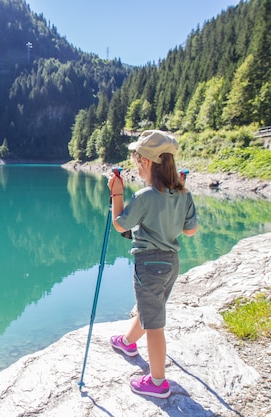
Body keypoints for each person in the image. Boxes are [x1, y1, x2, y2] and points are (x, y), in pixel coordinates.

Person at [107, 130, 198, 399]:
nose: (138, 169)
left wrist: (117, 195)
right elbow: (190, 231)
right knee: (151, 310)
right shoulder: (183, 194)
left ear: (146, 163)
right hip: (172, 264)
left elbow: (120, 224)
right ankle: (127, 343)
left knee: (155, 323)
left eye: (138, 164)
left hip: (149, 265)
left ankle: (158, 383)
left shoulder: (145, 196)